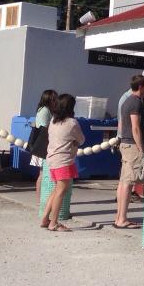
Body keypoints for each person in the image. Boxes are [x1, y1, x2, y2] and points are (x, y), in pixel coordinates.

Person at [41, 93, 83, 232]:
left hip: (52, 160)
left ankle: (45, 218)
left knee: (56, 190)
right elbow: (81, 139)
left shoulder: (53, 121)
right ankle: (54, 223)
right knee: (61, 191)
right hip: (64, 161)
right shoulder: (72, 123)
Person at [115, 74, 144, 230]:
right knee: (128, 183)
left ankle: (119, 217)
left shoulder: (126, 100)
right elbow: (135, 127)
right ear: (141, 86)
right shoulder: (135, 102)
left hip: (125, 143)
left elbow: (123, 125)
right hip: (132, 146)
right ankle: (122, 219)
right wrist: (141, 147)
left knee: (124, 182)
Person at [31, 89, 57, 199]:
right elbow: (43, 128)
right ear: (49, 99)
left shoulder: (45, 110)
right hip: (42, 146)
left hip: (43, 145)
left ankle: (41, 198)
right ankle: (39, 198)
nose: (56, 101)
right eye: (54, 99)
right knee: (42, 173)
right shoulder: (45, 110)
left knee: (43, 173)